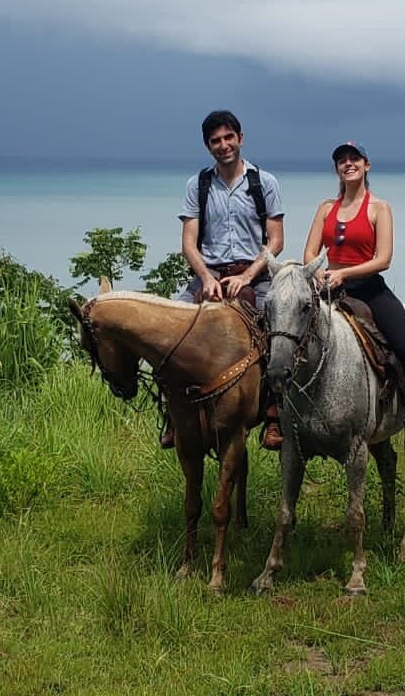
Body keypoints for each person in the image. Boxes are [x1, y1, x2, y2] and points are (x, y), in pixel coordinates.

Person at [302, 140, 405, 455]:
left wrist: (345, 274)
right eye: (342, 160)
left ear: (367, 165)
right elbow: (310, 250)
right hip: (327, 287)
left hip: (369, 288)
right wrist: (320, 271)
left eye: (354, 159)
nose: (348, 164)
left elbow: (384, 258)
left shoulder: (379, 208)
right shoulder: (326, 208)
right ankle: (280, 416)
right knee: (288, 335)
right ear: (337, 168)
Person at [161, 109, 285, 450]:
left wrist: (246, 276)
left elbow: (275, 240)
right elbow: (189, 241)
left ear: (240, 139)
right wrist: (206, 278)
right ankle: (173, 416)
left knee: (279, 329)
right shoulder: (197, 185)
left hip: (254, 272)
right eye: (215, 140)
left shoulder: (264, 182)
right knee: (170, 328)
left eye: (229, 137)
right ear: (207, 146)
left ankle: (275, 414)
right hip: (211, 273)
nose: (223, 145)